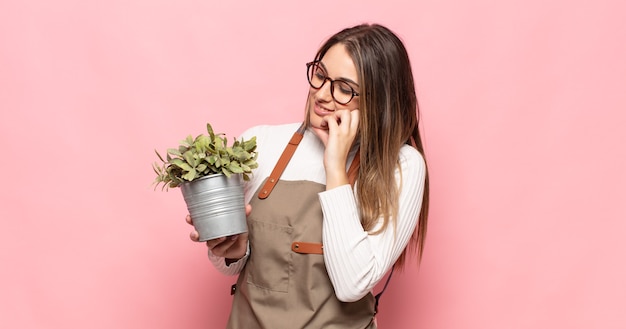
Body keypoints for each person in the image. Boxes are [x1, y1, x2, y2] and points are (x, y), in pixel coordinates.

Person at [185, 23, 429, 329]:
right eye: (320, 75)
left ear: (378, 101)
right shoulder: (261, 143)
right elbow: (235, 267)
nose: (322, 94)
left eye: (344, 88)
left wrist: (336, 165)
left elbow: (352, 284)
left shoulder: (400, 166)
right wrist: (232, 251)